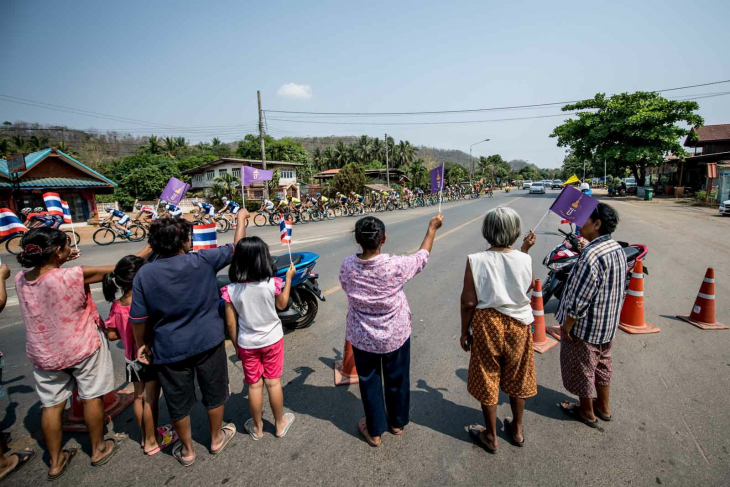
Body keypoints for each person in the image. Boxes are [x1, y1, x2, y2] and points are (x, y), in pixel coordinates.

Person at [14, 227, 151, 480]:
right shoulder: (74, 275)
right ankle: (98, 449)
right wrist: (151, 245)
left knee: (51, 406)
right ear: (57, 251)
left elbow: (47, 272)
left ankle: (55, 462)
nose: (69, 249)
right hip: (82, 346)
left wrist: (62, 259)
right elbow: (123, 267)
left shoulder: (21, 279)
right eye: (66, 246)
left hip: (44, 353)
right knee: (92, 398)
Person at [130, 209, 248, 467]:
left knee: (177, 400)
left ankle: (187, 450)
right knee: (214, 392)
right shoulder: (203, 260)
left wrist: (142, 344)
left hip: (169, 348)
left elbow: (138, 320)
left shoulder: (145, 274)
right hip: (208, 341)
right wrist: (240, 221)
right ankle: (216, 439)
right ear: (184, 241)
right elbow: (238, 248)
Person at [339, 213, 443, 447]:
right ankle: (397, 423)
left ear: (358, 239)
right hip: (395, 334)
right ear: (383, 239)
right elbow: (422, 257)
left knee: (369, 381)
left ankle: (375, 431)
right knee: (398, 379)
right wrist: (431, 229)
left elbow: (345, 286)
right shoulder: (394, 265)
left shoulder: (348, 265)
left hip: (363, 337)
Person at [459, 208, 537, 453]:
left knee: (487, 376)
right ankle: (517, 428)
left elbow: (468, 302)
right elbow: (525, 289)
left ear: (487, 231)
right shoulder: (525, 258)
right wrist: (524, 252)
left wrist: (464, 332)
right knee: (518, 375)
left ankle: (491, 436)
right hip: (519, 324)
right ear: (515, 232)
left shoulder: (475, 259)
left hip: (487, 324)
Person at [556, 203, 626, 427]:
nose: (578, 223)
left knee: (582, 369)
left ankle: (586, 411)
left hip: (586, 328)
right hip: (607, 325)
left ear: (597, 224)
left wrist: (567, 325)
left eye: (585, 219)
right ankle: (603, 407)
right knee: (603, 366)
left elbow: (580, 299)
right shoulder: (616, 248)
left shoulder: (591, 255)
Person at [222, 237, 297, 440]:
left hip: (247, 342)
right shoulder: (271, 284)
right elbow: (282, 305)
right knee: (273, 383)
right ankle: (280, 424)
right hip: (272, 339)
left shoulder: (231, 290)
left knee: (254, 385)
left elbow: (231, 324)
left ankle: (257, 428)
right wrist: (289, 278)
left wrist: (237, 346)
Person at [103, 256, 178, 456]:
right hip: (147, 356)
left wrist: (123, 331)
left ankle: (145, 436)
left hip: (130, 359)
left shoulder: (117, 305)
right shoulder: (143, 303)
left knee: (138, 397)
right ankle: (152, 440)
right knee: (151, 399)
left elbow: (111, 334)